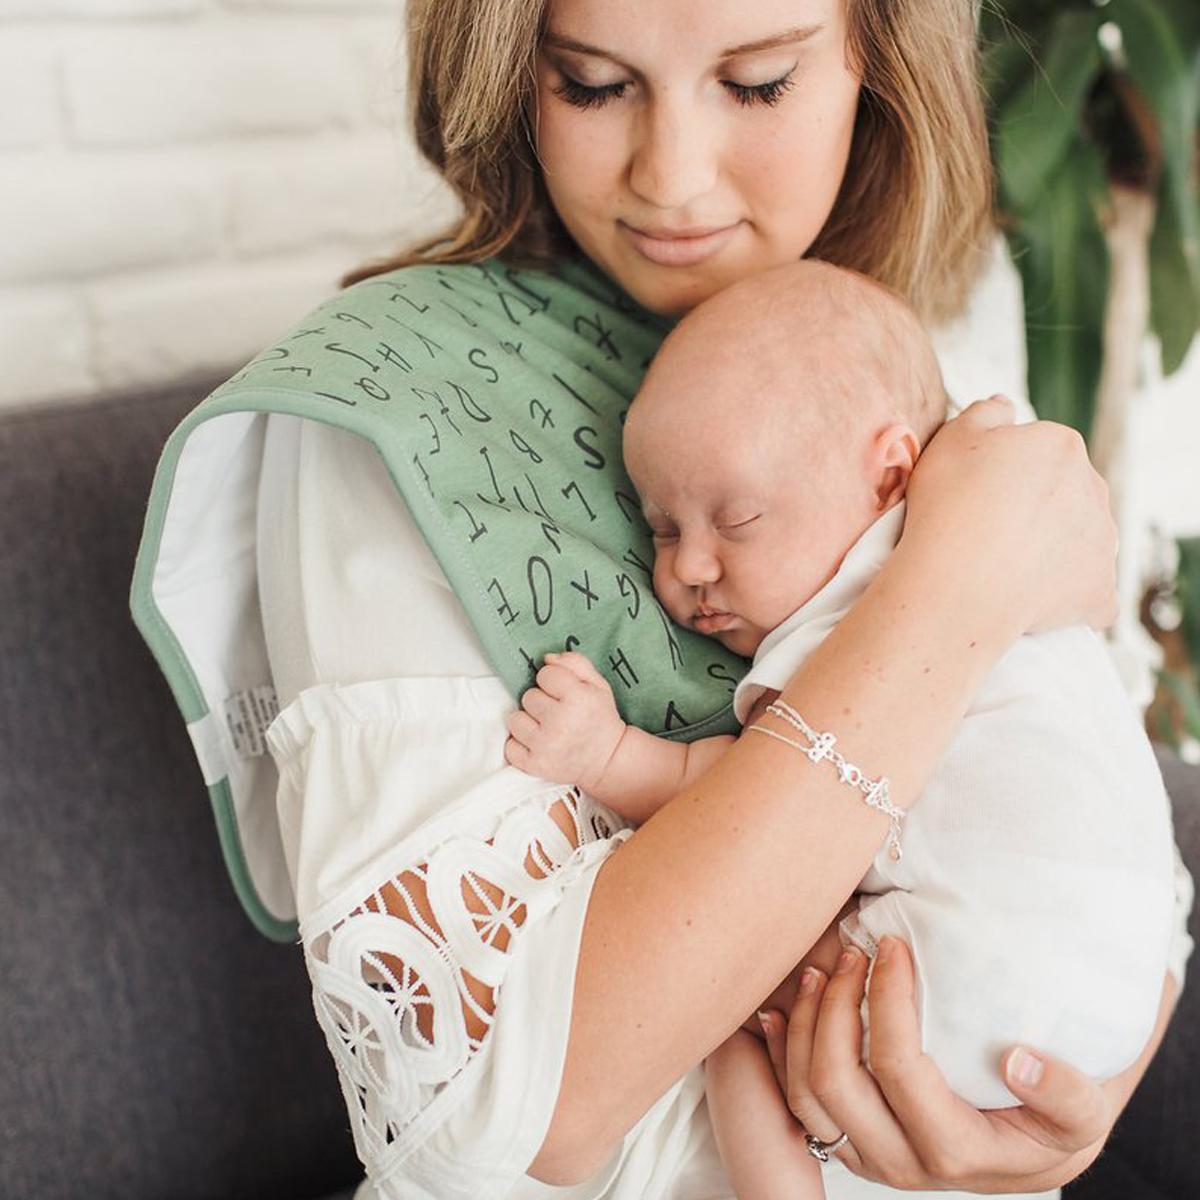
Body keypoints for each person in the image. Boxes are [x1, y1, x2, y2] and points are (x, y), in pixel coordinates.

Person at [129, 1, 1195, 1198]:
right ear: (511, 74)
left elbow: (1092, 826)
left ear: (876, 69)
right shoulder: (389, 428)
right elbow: (490, 1127)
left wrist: (1071, 1083)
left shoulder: (886, 368)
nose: (673, 178)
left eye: (755, 84)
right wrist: (952, 593)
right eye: (591, 84)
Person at [503, 259, 1179, 1199]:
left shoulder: (861, 601)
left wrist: (609, 754)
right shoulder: (1015, 532)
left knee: (736, 1006)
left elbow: (739, 792)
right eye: (659, 528)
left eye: (734, 519)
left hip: (957, 994)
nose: (690, 564)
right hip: (1110, 1003)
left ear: (889, 475)